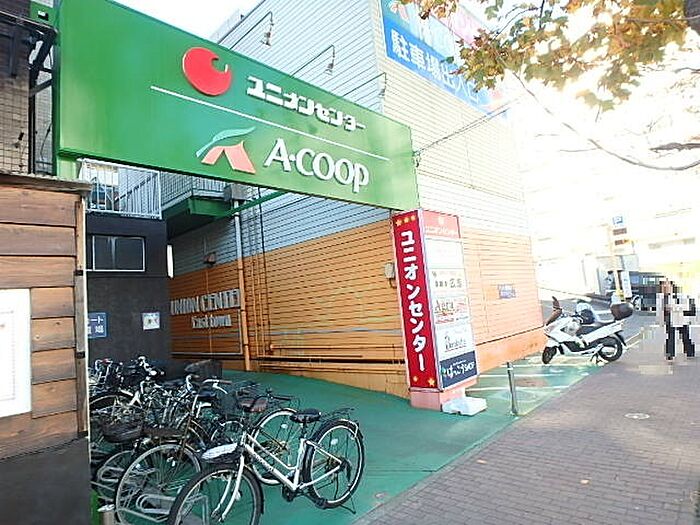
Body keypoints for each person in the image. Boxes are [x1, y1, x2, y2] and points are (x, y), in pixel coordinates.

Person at [656, 279, 696, 360]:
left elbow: (687, 307)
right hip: (669, 319)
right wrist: (660, 321)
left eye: (667, 285)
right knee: (670, 337)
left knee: (685, 336)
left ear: (672, 286)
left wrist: (673, 307)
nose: (665, 288)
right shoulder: (661, 297)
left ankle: (690, 351)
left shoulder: (680, 295)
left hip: (681, 319)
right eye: (663, 286)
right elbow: (660, 310)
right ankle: (670, 354)